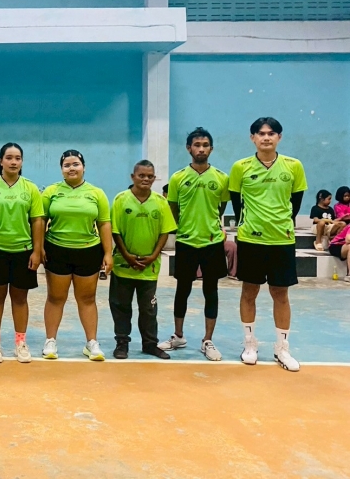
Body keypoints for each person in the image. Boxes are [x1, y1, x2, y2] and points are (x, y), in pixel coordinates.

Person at [229, 117, 307, 372]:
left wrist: (280, 222)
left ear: (279, 137)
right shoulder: (240, 167)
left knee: (280, 294)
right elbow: (236, 202)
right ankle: (249, 344)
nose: (266, 137)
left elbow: (295, 203)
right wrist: (250, 223)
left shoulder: (294, 166)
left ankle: (282, 348)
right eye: (260, 133)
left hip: (282, 239)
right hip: (251, 239)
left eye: (271, 133)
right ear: (252, 138)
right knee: (249, 291)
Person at [159, 128, 229, 361]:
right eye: (197, 145)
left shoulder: (221, 178)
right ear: (189, 148)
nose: (201, 149)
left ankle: (207, 340)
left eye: (205, 145)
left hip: (212, 242)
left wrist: (209, 226)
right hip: (186, 242)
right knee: (182, 290)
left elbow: (221, 208)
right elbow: (173, 209)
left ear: (211, 149)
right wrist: (186, 227)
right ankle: (178, 336)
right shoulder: (178, 178)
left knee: (211, 291)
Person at [41, 150, 111, 361]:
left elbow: (104, 224)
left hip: (88, 251)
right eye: (67, 165)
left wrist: (108, 253)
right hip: (57, 250)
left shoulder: (96, 193)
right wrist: (39, 247)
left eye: (76, 164)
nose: (71, 168)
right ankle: (50, 341)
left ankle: (91, 343)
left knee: (87, 298)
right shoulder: (51, 192)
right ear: (61, 169)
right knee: (56, 297)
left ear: (83, 167)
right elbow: (40, 221)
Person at [0, 143, 44, 363]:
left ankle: (20, 343)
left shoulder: (30, 188)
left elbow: (37, 221)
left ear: (22, 161)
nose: (13, 162)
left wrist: (37, 251)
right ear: (1, 161)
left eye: (17, 158)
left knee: (20, 298)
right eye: (9, 158)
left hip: (23, 252)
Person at [109, 160, 176, 360]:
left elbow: (165, 231)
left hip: (149, 267)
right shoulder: (121, 200)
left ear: (154, 178)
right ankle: (122, 343)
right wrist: (127, 256)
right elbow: (115, 231)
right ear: (133, 177)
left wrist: (154, 255)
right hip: (124, 265)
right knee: (121, 307)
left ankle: (150, 344)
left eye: (149, 176)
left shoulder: (160, 202)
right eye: (141, 175)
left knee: (149, 309)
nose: (146, 179)